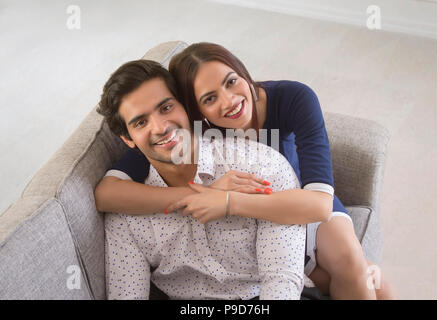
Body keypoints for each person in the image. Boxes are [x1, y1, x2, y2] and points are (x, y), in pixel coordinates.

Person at [95, 43, 396, 299]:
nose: (229, 102)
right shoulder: (177, 139)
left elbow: (317, 206)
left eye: (231, 81)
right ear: (196, 110)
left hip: (299, 197)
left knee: (352, 264)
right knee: (373, 283)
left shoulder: (290, 103)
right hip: (264, 225)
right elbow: (108, 193)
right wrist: (200, 195)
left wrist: (227, 202)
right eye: (209, 98)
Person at [97, 59, 305, 300]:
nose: (161, 127)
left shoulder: (260, 166)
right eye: (141, 122)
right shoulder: (125, 216)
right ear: (127, 138)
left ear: (185, 107)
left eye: (166, 108)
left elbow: (281, 280)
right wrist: (200, 194)